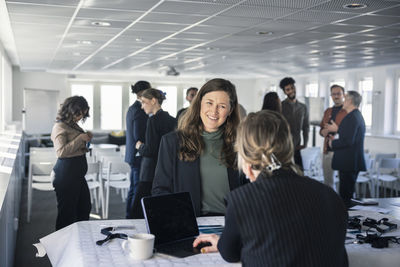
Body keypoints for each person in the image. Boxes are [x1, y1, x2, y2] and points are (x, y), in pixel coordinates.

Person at [193, 110, 348, 267]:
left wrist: (221, 243)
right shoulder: (330, 195)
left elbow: (230, 253)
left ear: (246, 155)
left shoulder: (242, 200)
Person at [152, 78, 246, 216]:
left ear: (230, 110)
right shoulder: (172, 142)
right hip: (189, 223)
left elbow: (248, 189)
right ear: (199, 103)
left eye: (222, 106)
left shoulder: (240, 144)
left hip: (229, 223)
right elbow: (160, 190)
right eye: (209, 103)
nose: (214, 111)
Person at [128, 88, 177, 218]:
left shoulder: (152, 120)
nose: (142, 106)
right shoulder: (173, 120)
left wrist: (140, 146)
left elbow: (150, 150)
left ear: (154, 101)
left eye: (144, 102)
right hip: (166, 169)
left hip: (150, 170)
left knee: (137, 211)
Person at [51, 96, 93, 230]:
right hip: (66, 176)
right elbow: (61, 152)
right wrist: (80, 138)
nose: (81, 117)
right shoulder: (59, 126)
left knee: (84, 209)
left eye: (83, 114)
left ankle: (80, 243)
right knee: (67, 215)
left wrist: (84, 143)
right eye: (79, 113)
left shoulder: (72, 125)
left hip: (77, 176)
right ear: (71, 110)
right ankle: (61, 248)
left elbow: (73, 148)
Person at [327, 91, 366, 208]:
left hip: (348, 162)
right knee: (346, 195)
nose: (343, 101)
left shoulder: (352, 117)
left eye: (345, 98)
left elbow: (348, 141)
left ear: (350, 101)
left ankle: (346, 224)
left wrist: (332, 143)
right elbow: (348, 136)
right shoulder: (355, 115)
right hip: (350, 161)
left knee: (345, 197)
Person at [125, 80, 151, 219]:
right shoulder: (139, 110)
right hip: (138, 155)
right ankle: (132, 217)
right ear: (143, 93)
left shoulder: (132, 108)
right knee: (136, 188)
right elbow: (138, 135)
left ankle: (129, 215)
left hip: (132, 155)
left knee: (133, 188)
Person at [319, 85, 347, 188]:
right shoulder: (328, 111)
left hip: (343, 152)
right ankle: (331, 203)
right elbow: (321, 129)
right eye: (333, 94)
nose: (336, 96)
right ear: (331, 96)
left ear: (343, 95)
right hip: (328, 151)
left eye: (338, 94)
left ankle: (343, 203)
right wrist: (323, 132)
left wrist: (336, 130)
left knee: (344, 184)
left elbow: (351, 132)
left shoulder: (348, 111)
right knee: (328, 183)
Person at [280, 77, 309, 170]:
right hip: (284, 147)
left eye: (292, 88)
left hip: (297, 145)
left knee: (300, 171)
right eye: (288, 89)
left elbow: (306, 126)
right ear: (285, 92)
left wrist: (305, 143)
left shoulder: (303, 107)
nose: (291, 91)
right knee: (286, 172)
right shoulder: (280, 106)